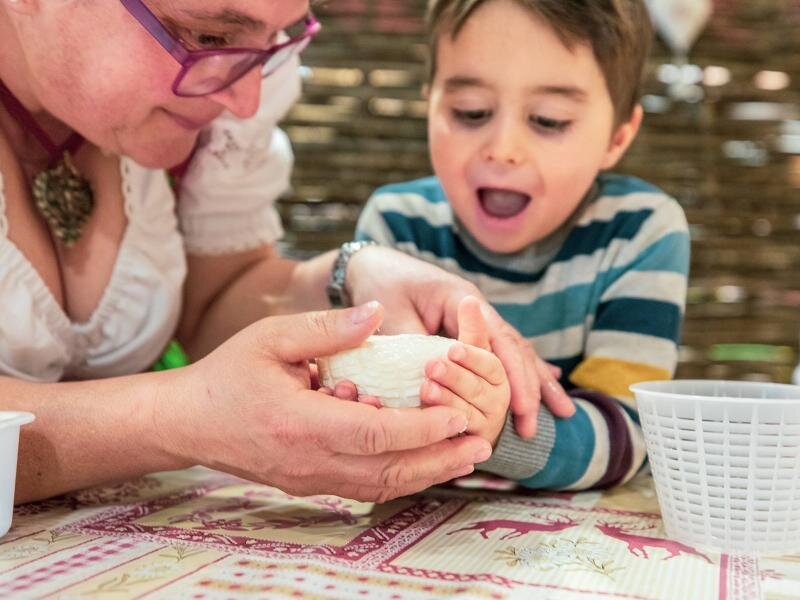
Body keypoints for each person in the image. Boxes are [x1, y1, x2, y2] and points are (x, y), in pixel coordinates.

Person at [0, 0, 576, 504]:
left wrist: (350, 276)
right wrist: (176, 419)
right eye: (206, 37)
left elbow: (214, 297)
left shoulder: (228, 96)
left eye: (278, 38)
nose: (246, 101)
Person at [355, 0, 691, 489]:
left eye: (548, 120)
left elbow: (632, 433)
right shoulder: (395, 230)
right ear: (430, 103)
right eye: (471, 112)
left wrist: (494, 430)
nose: (504, 148)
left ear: (617, 137)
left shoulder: (640, 232)